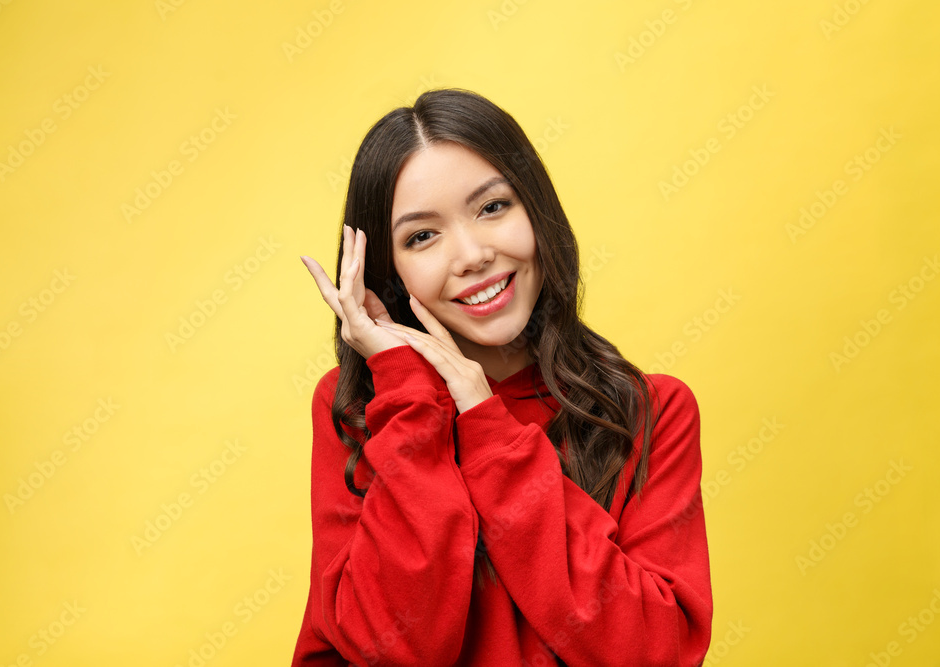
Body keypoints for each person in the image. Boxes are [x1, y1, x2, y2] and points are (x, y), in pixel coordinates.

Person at [294, 88, 712, 666]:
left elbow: (651, 652)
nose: (471, 254)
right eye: (422, 236)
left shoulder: (649, 410)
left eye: (492, 207)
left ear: (536, 210)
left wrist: (485, 420)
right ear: (388, 274)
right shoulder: (364, 411)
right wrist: (413, 399)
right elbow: (389, 651)